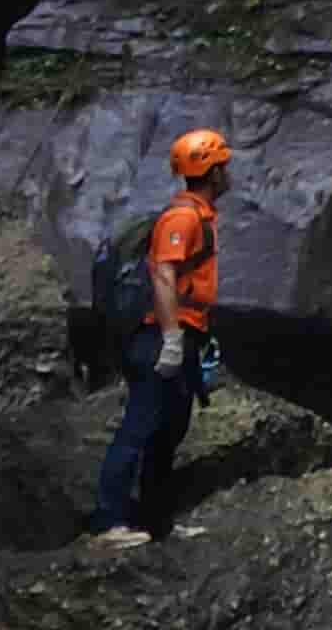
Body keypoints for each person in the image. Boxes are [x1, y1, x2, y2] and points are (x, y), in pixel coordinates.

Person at [89, 127, 231, 545]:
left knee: (169, 430)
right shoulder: (182, 218)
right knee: (140, 425)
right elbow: (163, 274)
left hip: (183, 335)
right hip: (158, 337)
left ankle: (155, 521)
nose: (228, 174)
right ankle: (108, 522)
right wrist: (170, 338)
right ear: (214, 171)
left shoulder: (199, 216)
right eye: (224, 166)